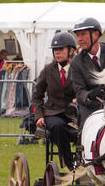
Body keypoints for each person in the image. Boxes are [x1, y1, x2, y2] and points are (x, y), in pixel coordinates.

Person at [32, 32, 77, 171]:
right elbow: (37, 95)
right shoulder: (47, 70)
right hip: (53, 113)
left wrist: (79, 98)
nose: (57, 53)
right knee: (58, 126)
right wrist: (39, 116)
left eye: (60, 49)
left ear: (71, 50)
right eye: (55, 50)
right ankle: (70, 165)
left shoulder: (79, 69)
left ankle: (86, 164)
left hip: (74, 114)